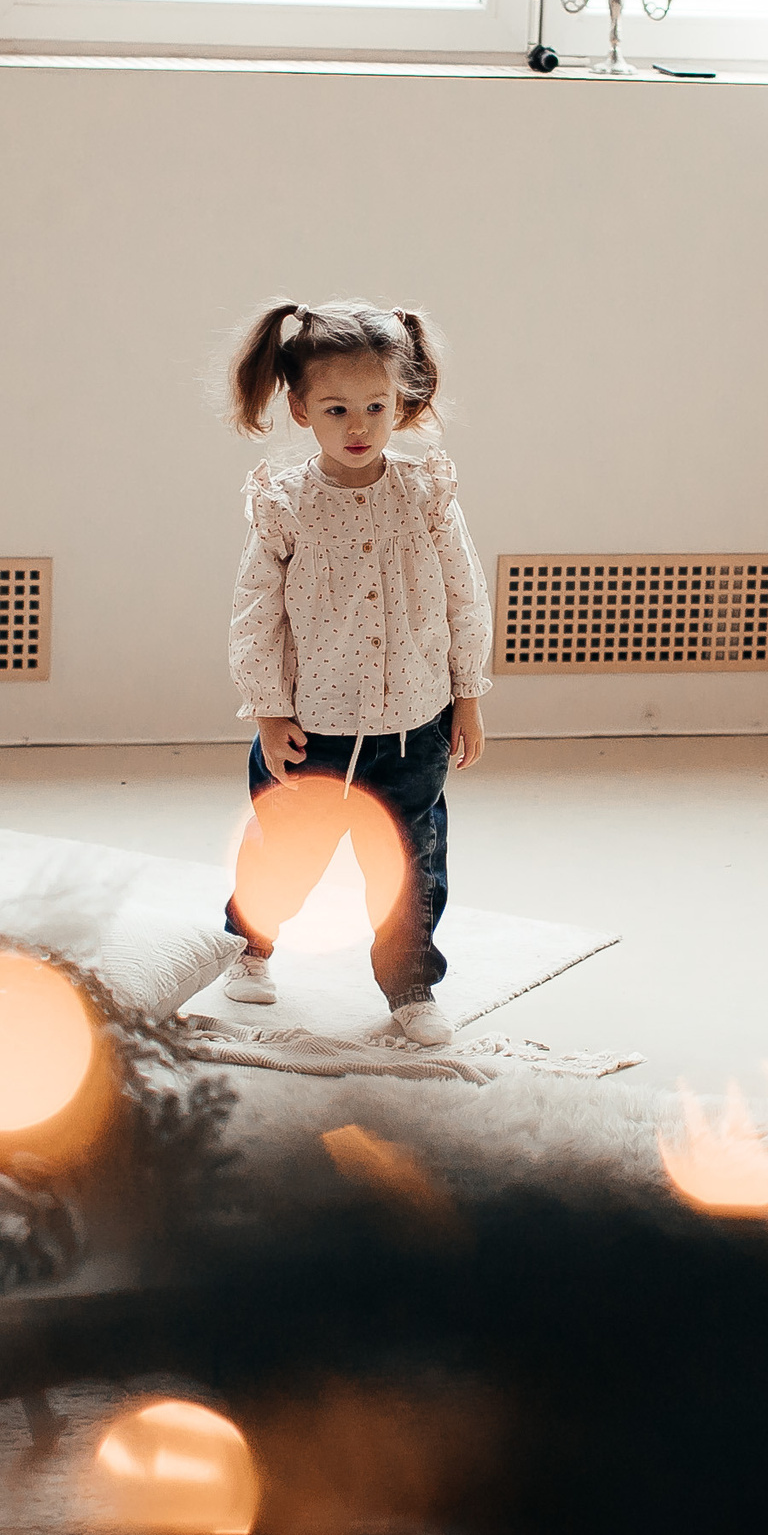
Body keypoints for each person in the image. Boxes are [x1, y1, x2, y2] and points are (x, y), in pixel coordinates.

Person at [221, 300, 493, 1045]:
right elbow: (256, 613)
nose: (359, 425)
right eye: (337, 407)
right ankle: (250, 944)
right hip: (314, 726)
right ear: (300, 407)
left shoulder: (427, 494)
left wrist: (467, 695)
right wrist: (270, 711)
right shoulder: (284, 505)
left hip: (415, 722)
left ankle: (409, 983)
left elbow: (465, 593)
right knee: (287, 848)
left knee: (410, 863)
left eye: (376, 406)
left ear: (401, 402)